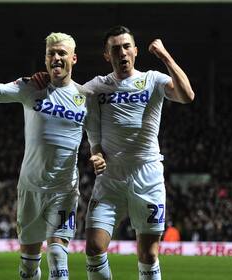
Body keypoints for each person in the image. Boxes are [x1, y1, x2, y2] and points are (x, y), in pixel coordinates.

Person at [0, 32, 105, 280]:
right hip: (30, 188)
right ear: (46, 58)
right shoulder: (30, 86)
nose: (57, 58)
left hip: (64, 189)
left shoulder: (86, 99)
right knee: (29, 266)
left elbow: (95, 140)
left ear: (74, 58)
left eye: (62, 53)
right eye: (52, 53)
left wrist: (97, 156)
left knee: (58, 256)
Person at [83, 25, 195, 280]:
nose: (121, 53)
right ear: (106, 56)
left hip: (148, 176)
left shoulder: (153, 80)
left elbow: (187, 95)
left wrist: (164, 55)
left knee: (148, 254)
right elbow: (68, 94)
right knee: (94, 247)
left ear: (135, 50)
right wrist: (96, 151)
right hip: (111, 177)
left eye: (126, 47)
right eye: (115, 49)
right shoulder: (97, 86)